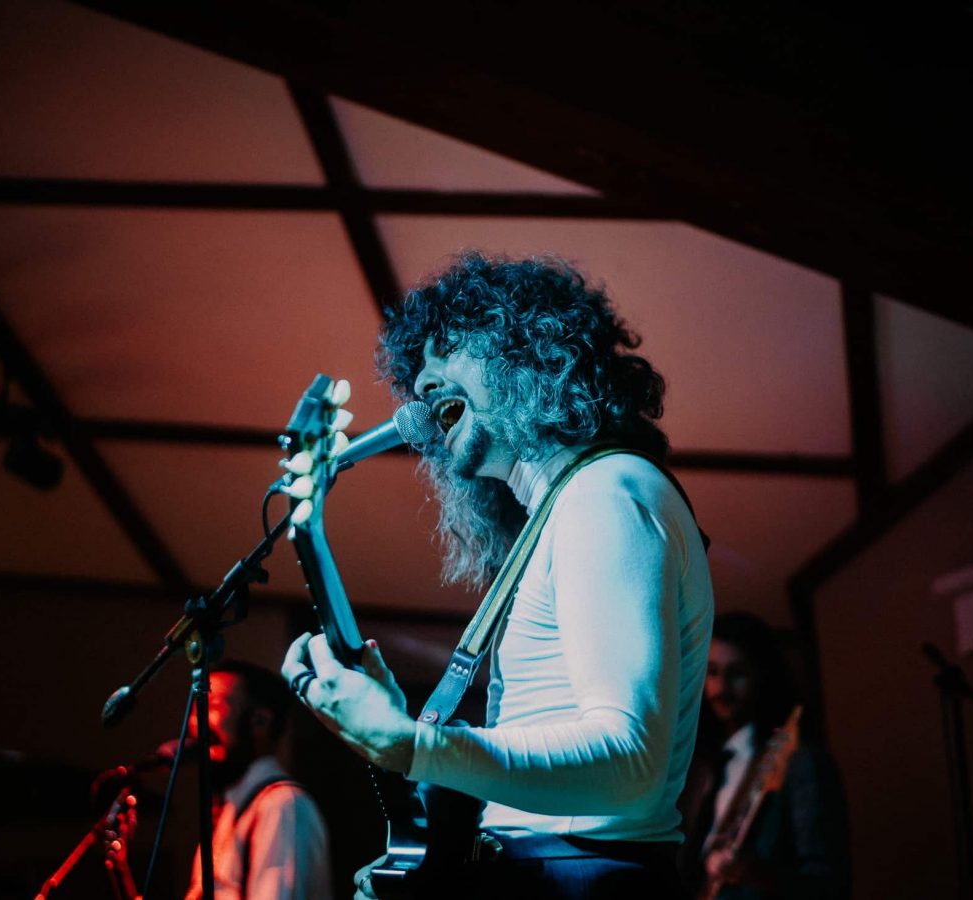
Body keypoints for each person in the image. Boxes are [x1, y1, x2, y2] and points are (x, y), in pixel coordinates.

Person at [281, 251, 715, 898]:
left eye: (449, 350)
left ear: (530, 354)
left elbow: (630, 764)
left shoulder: (604, 492)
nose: (422, 383)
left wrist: (413, 745)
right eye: (417, 371)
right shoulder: (569, 506)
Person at [676, 612, 850, 899]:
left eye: (737, 673)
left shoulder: (800, 762)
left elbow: (829, 882)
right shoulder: (703, 768)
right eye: (712, 672)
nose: (721, 688)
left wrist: (759, 874)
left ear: (763, 675)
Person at [183, 659, 333, 900]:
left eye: (212, 706)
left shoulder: (282, 805)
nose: (194, 723)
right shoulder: (233, 806)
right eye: (194, 710)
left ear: (260, 722)